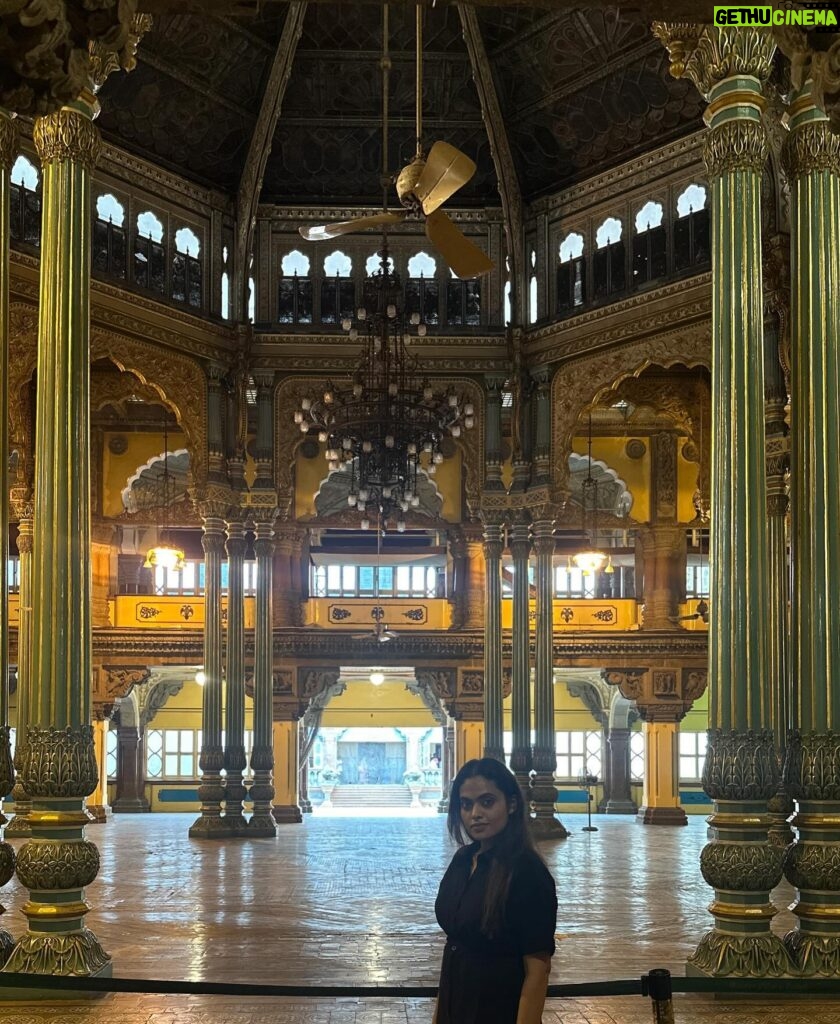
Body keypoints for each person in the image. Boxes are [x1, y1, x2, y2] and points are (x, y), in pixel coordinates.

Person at [433, 758, 557, 1024]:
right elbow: (454, 947)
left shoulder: (527, 872)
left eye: (487, 802)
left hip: (497, 1009)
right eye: (466, 805)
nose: (475, 813)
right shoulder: (463, 860)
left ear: (511, 804)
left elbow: (537, 969)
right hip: (455, 1009)